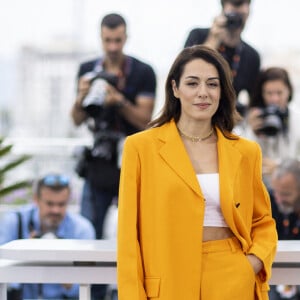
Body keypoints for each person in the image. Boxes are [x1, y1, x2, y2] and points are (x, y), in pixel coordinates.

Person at [117, 45, 277, 300]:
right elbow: (128, 237)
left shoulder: (247, 152)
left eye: (212, 84)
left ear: (222, 91)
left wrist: (251, 264)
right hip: (168, 281)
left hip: (232, 278)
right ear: (175, 88)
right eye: (192, 83)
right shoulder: (140, 148)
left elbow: (263, 223)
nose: (203, 93)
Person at [70, 13, 156, 299]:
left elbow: (145, 120)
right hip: (99, 160)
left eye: (118, 40)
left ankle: (137, 291)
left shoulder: (143, 72)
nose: (113, 46)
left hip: (133, 159)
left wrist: (117, 99)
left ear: (126, 37)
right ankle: (92, 294)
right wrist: (83, 95)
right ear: (101, 38)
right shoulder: (87, 69)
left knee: (140, 236)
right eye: (108, 40)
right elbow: (77, 119)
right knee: (89, 233)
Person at [0, 173, 96, 300]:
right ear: (36, 199)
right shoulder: (14, 222)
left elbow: (86, 287)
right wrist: (25, 257)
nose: (55, 210)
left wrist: (62, 265)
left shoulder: (82, 230)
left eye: (61, 204)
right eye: (50, 204)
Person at [184, 0, 260, 117]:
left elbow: (253, 103)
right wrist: (213, 39)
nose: (244, 10)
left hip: (228, 122)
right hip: (194, 115)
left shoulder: (252, 56)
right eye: (237, 3)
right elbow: (186, 75)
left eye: (248, 5)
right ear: (223, 8)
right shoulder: (199, 36)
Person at [246, 67, 300, 185]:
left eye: (279, 93)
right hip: (262, 187)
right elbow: (246, 158)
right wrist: (252, 132)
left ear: (289, 92)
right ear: (262, 94)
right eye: (269, 93)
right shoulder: (256, 117)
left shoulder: (297, 119)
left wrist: (280, 166)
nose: (274, 99)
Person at [268, 159, 300, 300]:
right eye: (276, 192)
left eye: (286, 194)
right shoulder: (268, 201)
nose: (279, 199)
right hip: (272, 272)